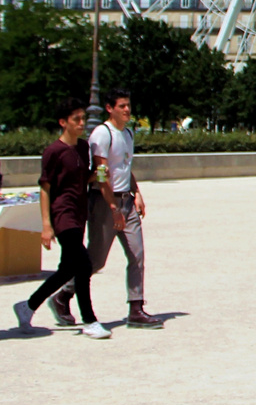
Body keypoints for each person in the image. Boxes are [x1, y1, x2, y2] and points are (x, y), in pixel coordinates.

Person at [50, 88, 158, 329]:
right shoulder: (102, 134)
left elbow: (123, 168)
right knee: (96, 261)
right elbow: (102, 173)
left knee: (137, 255)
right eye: (122, 106)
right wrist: (112, 207)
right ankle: (63, 295)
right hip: (104, 202)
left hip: (126, 202)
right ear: (109, 108)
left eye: (128, 105)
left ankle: (136, 307)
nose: (128, 110)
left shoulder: (128, 133)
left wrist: (136, 192)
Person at [13, 99, 108, 338]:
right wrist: (46, 225)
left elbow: (81, 180)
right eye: (76, 119)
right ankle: (89, 321)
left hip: (79, 213)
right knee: (84, 265)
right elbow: (45, 188)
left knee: (68, 269)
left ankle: (28, 305)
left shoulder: (83, 148)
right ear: (63, 122)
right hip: (62, 215)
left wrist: (97, 176)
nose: (81, 123)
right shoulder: (53, 152)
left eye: (83, 118)